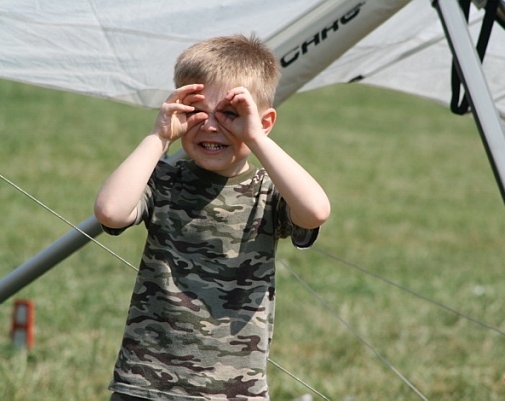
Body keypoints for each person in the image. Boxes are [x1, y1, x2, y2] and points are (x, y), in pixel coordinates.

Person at [94, 34, 330, 401]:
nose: (210, 126)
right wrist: (159, 136)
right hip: (145, 383)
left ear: (264, 121)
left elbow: (315, 211)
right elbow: (111, 211)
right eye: (196, 112)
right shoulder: (163, 179)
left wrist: (257, 138)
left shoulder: (267, 192)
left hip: (234, 390)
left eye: (231, 114)